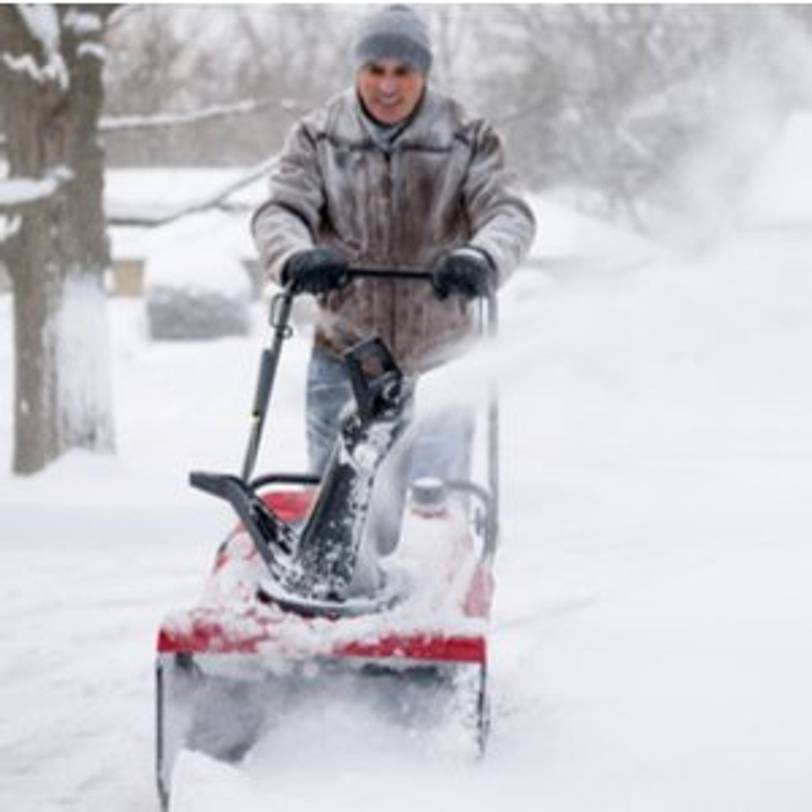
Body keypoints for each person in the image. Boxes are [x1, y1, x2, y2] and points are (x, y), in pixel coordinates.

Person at [251, 4, 536, 552]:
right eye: (375, 70)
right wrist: (296, 255)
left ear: (423, 74)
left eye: (402, 72)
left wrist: (481, 258)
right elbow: (280, 211)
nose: (387, 85)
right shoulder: (318, 138)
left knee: (430, 516)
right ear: (357, 70)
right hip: (345, 354)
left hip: (441, 359)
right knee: (335, 513)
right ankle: (331, 626)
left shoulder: (467, 139)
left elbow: (509, 213)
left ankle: (424, 617)